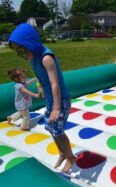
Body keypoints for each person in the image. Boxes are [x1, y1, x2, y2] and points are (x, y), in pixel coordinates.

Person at [9, 23, 76, 173]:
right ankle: (62, 153)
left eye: (22, 50)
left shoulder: (46, 58)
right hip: (51, 100)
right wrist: (39, 87)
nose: (22, 55)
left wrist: (57, 108)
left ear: (30, 44)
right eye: (18, 52)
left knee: (57, 130)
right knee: (51, 129)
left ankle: (71, 157)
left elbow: (55, 84)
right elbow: (40, 76)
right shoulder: (33, 59)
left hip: (61, 100)